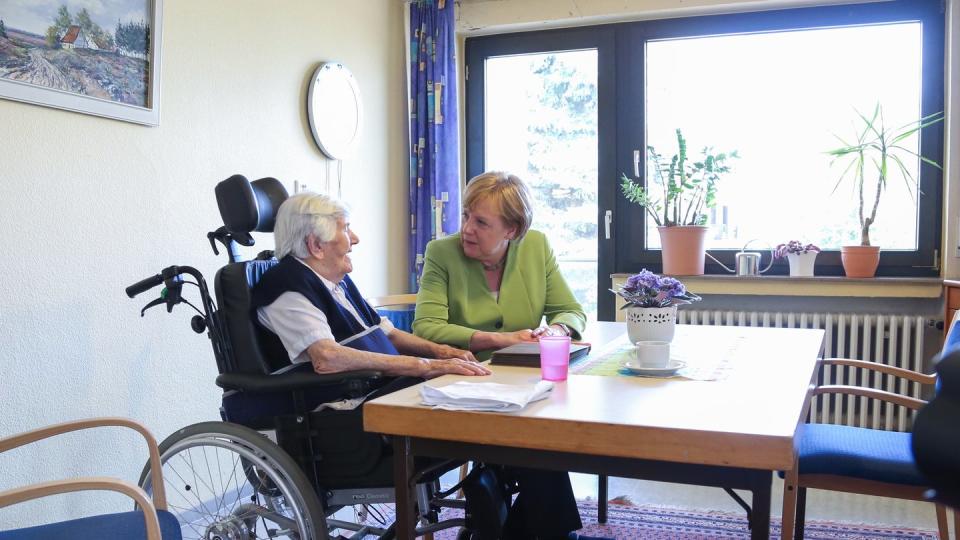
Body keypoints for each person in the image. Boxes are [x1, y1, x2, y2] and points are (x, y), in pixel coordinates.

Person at [413, 171, 600, 540]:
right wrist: (498, 339)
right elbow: (427, 328)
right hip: (465, 386)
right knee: (541, 444)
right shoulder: (442, 253)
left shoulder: (536, 247)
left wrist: (556, 331)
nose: (467, 227)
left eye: (481, 222)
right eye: (466, 215)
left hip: (522, 386)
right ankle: (556, 534)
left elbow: (571, 310)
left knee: (546, 436)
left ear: (512, 230)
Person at [250, 192, 490, 384]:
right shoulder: (288, 288)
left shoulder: (336, 282)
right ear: (316, 245)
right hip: (343, 404)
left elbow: (389, 334)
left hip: (379, 386)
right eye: (345, 229)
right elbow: (327, 358)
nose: (355, 238)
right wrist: (424, 366)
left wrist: (442, 352)